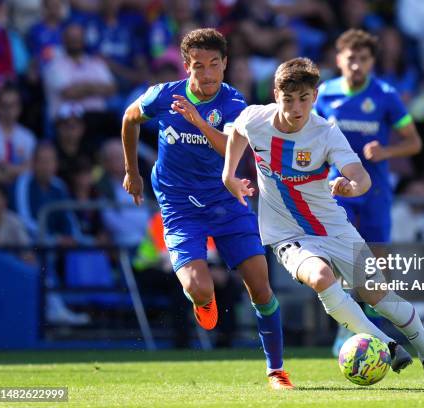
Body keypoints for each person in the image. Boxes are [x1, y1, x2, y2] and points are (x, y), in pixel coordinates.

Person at [222, 57, 424, 390]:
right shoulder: (256, 118)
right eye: (288, 99)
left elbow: (361, 177)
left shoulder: (326, 132)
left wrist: (352, 185)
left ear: (314, 96)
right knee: (320, 276)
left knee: (378, 296)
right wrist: (228, 173)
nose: (295, 107)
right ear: (276, 94)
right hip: (286, 233)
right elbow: (237, 132)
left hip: (333, 228)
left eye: (303, 98)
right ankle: (384, 344)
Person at [121, 28, 292, 389]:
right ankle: (202, 301)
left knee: (260, 288)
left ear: (225, 64)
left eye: (215, 64)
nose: (208, 73)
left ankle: (276, 370)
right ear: (187, 67)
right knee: (200, 288)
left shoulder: (234, 103)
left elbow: (229, 148)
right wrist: (132, 171)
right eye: (199, 66)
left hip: (225, 201)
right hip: (179, 205)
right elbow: (129, 119)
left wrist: (197, 121)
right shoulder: (162, 96)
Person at [314, 29, 423, 354]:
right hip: (338, 188)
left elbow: (414, 142)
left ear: (372, 61)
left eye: (363, 59)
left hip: (374, 192)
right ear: (339, 60)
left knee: (377, 263)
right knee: (341, 258)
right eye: (351, 59)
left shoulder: (386, 95)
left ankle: (375, 325)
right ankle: (344, 328)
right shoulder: (324, 95)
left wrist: (386, 152)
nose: (357, 65)